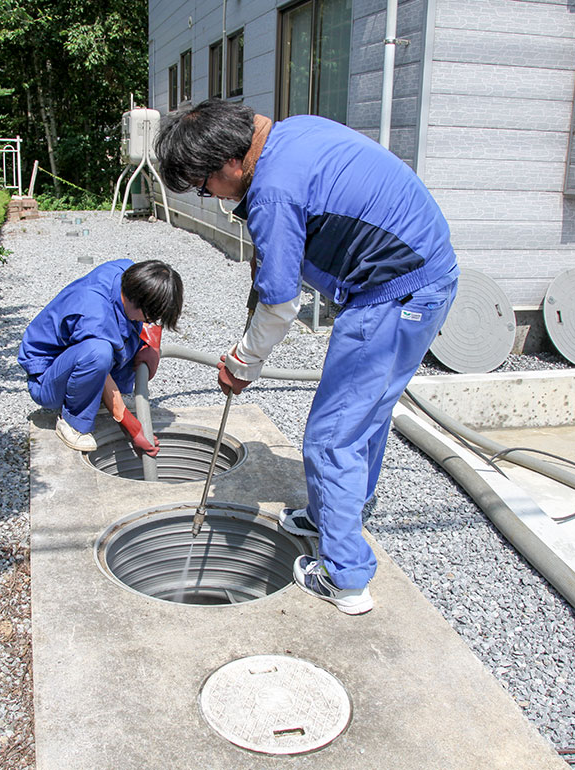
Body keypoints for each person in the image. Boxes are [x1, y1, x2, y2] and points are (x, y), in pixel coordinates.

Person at [155, 99, 458, 615]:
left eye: (205, 186)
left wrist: (241, 362)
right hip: (421, 279)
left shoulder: (272, 191)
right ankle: (333, 515)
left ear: (229, 163)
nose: (209, 197)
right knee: (365, 416)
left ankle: (346, 577)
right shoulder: (292, 133)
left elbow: (279, 306)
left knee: (332, 435)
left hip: (392, 295)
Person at [18, 258, 183, 454]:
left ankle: (95, 399)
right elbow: (99, 366)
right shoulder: (95, 318)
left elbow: (149, 310)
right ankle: (72, 423)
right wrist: (131, 427)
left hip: (80, 354)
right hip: (47, 380)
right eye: (152, 317)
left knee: (120, 339)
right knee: (99, 353)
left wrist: (152, 347)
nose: (152, 322)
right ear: (141, 302)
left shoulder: (126, 273)